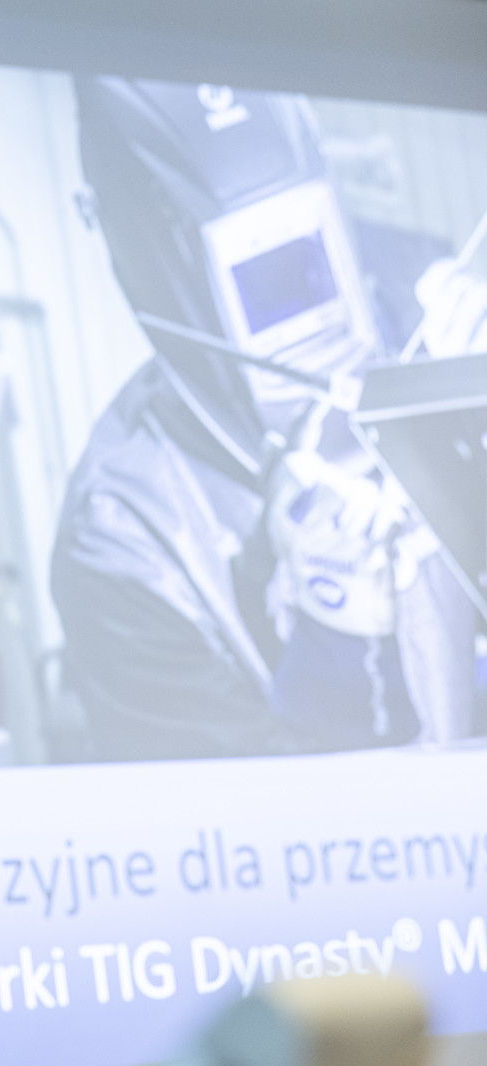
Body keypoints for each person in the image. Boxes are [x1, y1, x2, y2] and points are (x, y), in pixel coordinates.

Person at [51, 76, 478, 761]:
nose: (309, 319)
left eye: (310, 259)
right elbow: (236, 820)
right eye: (261, 281)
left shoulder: (420, 318)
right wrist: (340, 654)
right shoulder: (125, 535)